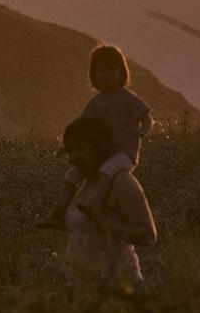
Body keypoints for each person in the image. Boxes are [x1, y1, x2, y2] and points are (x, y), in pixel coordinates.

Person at [44, 44, 152, 226]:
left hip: (124, 154)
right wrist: (68, 147)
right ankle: (58, 213)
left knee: (107, 170)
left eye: (111, 69)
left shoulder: (127, 98)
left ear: (121, 71)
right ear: (93, 75)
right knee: (71, 175)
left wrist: (143, 132)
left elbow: (147, 119)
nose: (106, 74)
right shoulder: (96, 103)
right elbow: (80, 127)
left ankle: (95, 203)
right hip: (103, 153)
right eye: (101, 70)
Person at [49, 114, 157, 283]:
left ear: (99, 147)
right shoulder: (85, 183)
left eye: (80, 149)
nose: (72, 157)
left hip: (118, 285)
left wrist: (104, 224)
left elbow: (148, 236)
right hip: (80, 288)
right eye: (69, 151)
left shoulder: (122, 181)